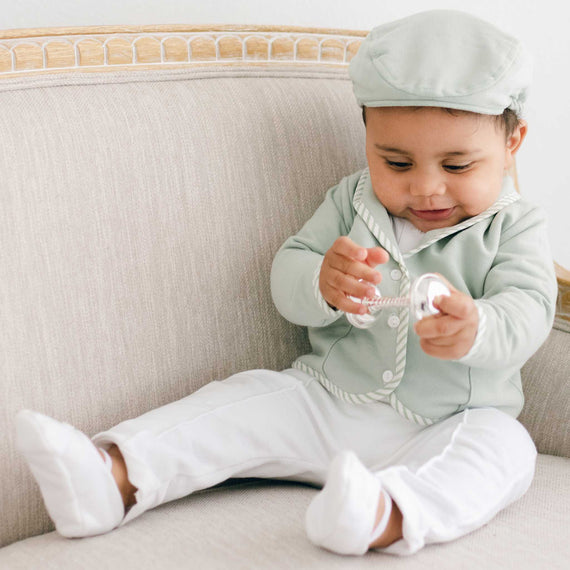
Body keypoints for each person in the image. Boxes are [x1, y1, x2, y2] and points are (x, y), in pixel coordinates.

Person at [16, 9, 557, 557]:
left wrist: (480, 327)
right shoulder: (351, 202)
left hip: (453, 422)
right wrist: (322, 284)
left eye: (458, 166)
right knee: (241, 401)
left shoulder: (515, 226)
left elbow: (530, 306)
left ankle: (381, 515)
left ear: (513, 142)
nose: (426, 189)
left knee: (507, 450)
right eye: (395, 162)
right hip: (328, 397)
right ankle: (110, 477)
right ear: (367, 137)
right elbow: (288, 271)